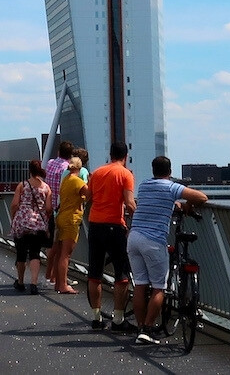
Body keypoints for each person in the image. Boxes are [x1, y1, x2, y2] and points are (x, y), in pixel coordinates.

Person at [127, 156, 210, 344]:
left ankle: (140, 327)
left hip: (134, 237)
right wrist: (188, 205)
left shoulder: (145, 186)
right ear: (170, 171)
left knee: (140, 285)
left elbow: (158, 201)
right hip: (153, 240)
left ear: (153, 170)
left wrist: (176, 204)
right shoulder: (171, 187)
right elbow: (202, 197)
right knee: (158, 287)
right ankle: (147, 329)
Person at [84, 141, 137, 332]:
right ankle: (118, 319)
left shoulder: (97, 173)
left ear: (110, 154)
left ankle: (96, 318)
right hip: (115, 226)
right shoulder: (125, 174)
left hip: (95, 224)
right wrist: (138, 220)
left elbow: (87, 196)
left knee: (95, 274)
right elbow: (130, 203)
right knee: (121, 274)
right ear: (126, 156)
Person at [9, 159, 53, 294]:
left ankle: (20, 281)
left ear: (29, 170)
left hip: (22, 222)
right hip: (38, 224)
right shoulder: (46, 187)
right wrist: (44, 219)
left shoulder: (22, 185)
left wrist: (14, 218)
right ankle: (33, 283)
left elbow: (15, 204)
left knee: (21, 254)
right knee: (35, 253)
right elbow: (48, 208)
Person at [49, 155, 86, 294]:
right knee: (66, 255)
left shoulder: (65, 180)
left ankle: (58, 283)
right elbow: (90, 194)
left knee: (60, 253)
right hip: (71, 219)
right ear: (80, 167)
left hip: (61, 217)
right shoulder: (77, 181)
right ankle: (64, 285)